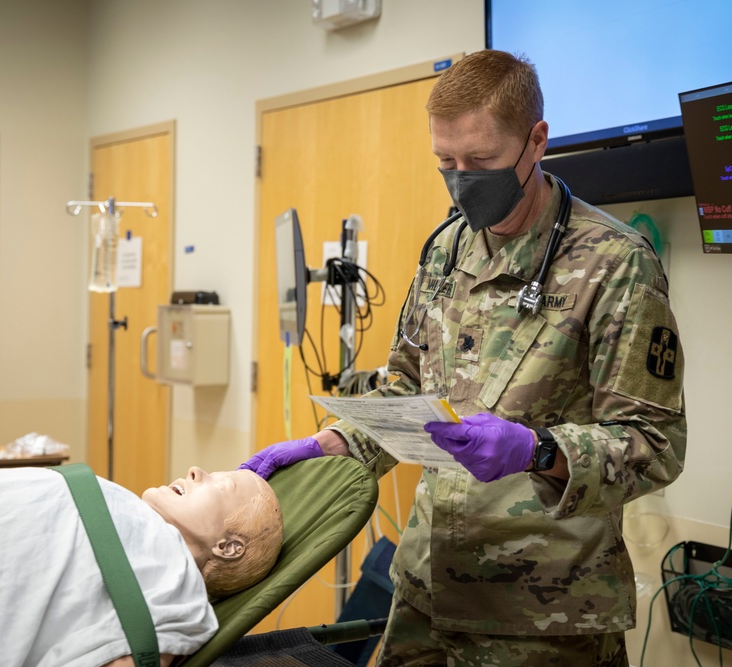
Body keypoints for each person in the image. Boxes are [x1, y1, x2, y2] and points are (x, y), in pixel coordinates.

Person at [241, 49, 686, 666]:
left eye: (481, 161)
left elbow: (654, 445)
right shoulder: (446, 250)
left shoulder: (615, 264)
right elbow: (405, 386)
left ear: (536, 141)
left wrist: (538, 450)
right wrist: (337, 443)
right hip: (427, 591)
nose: (461, 179)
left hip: (542, 618)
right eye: (445, 162)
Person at [0, 465, 283, 667]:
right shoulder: (123, 514)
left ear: (229, 547)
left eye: (221, 484)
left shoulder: (177, 591)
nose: (196, 469)